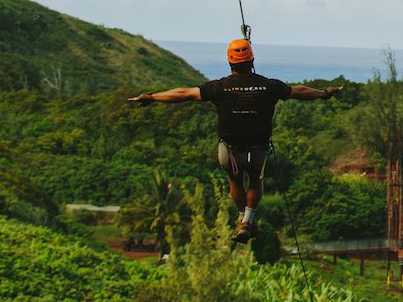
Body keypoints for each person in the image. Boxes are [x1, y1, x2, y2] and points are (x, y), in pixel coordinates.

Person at [128, 38, 342, 243]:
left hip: (229, 150)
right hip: (257, 148)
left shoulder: (218, 87)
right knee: (256, 180)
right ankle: (248, 220)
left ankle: (243, 220)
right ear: (252, 61)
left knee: (235, 180)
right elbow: (300, 91)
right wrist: (324, 93)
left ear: (230, 62)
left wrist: (151, 97)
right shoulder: (270, 86)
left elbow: (183, 93)